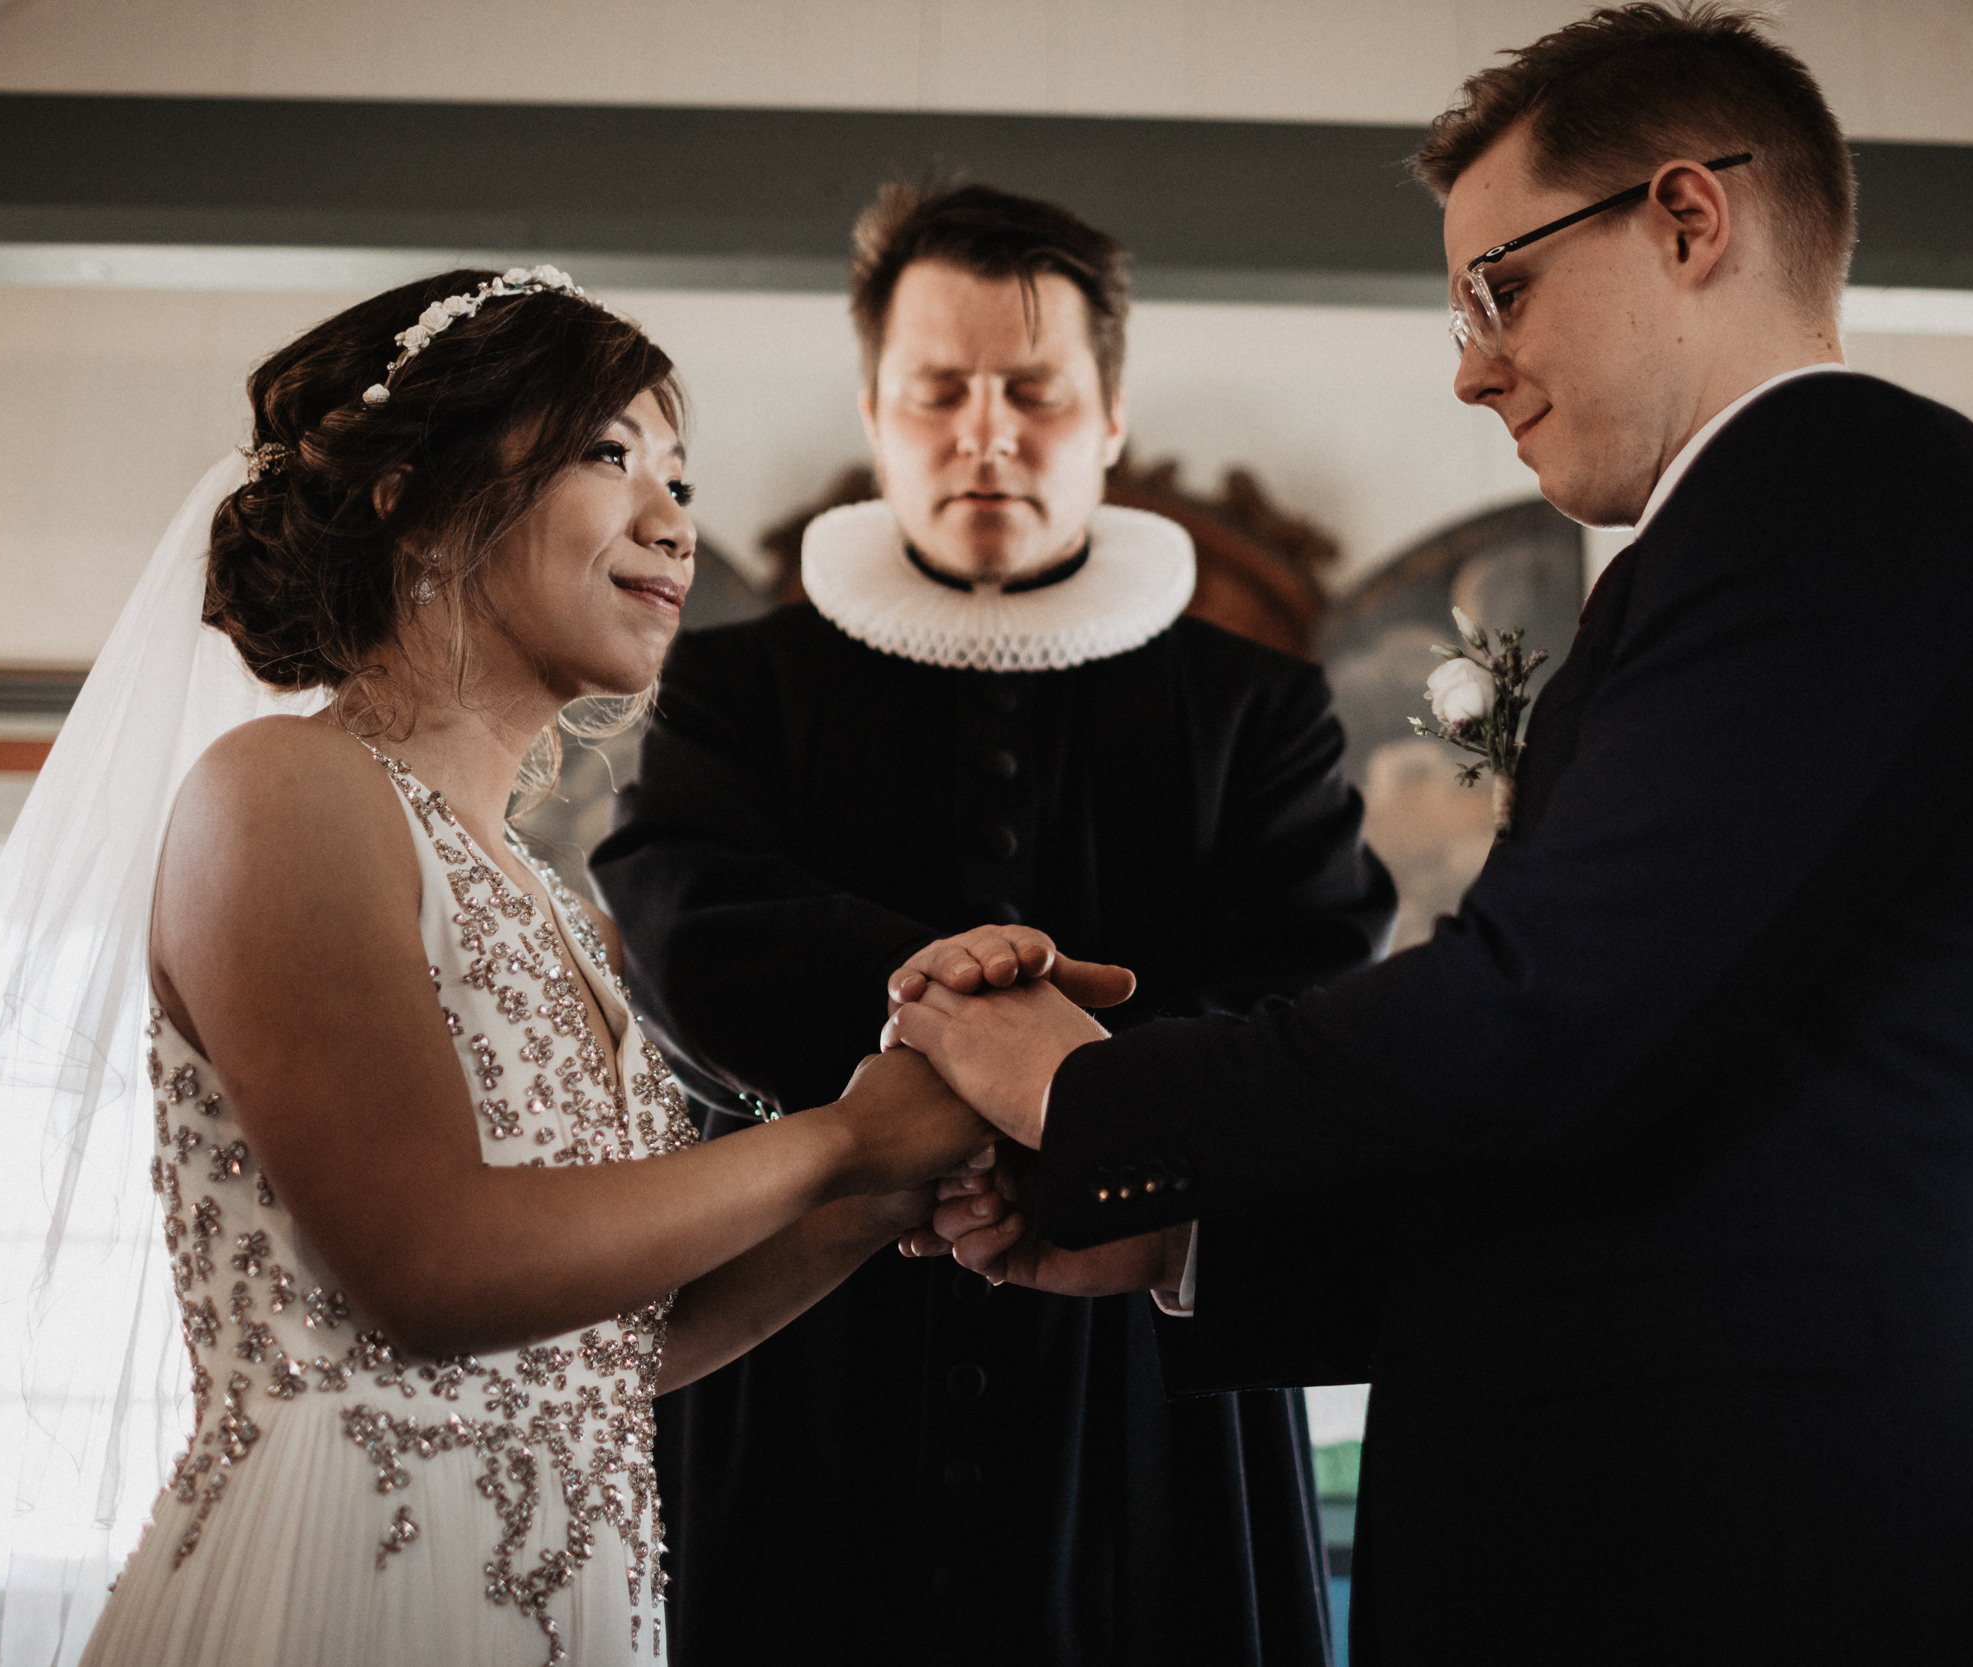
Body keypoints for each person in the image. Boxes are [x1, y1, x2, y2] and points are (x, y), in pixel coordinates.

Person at [892, 9, 1973, 1665]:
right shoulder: (1749, 540)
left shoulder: (1843, 487)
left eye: (1503, 287)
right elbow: (1639, 1135)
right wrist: (1182, 1236)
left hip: (1783, 1560)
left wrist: (1084, 1090)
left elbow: (1552, 1015)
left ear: (1690, 219)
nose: (1470, 365)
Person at [0, 266, 1000, 1667]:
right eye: (610, 453)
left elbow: (607, 1349)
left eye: (682, 480)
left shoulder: (556, 907)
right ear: (414, 498)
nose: (673, 523)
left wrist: (893, 1174)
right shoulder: (287, 790)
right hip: (341, 1588)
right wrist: (835, 1143)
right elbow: (433, 1266)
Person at [595, 186, 1395, 1665]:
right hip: (804, 1342)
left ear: (1106, 417)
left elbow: (1314, 983)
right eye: (938, 391)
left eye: (1032, 390)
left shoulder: (1255, 707)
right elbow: (681, 917)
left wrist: (1076, 1109)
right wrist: (952, 1009)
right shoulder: (734, 683)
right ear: (875, 409)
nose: (984, 433)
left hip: (1153, 1359)